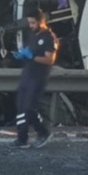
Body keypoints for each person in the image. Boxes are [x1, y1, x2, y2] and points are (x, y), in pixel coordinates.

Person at [11, 10, 56, 149]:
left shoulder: (49, 37)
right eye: (29, 22)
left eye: (33, 22)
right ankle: (22, 138)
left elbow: (50, 59)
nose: (30, 25)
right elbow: (29, 50)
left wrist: (32, 57)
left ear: (41, 21)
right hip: (27, 74)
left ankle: (43, 131)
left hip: (38, 77)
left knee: (29, 108)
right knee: (20, 106)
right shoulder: (32, 35)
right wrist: (22, 55)